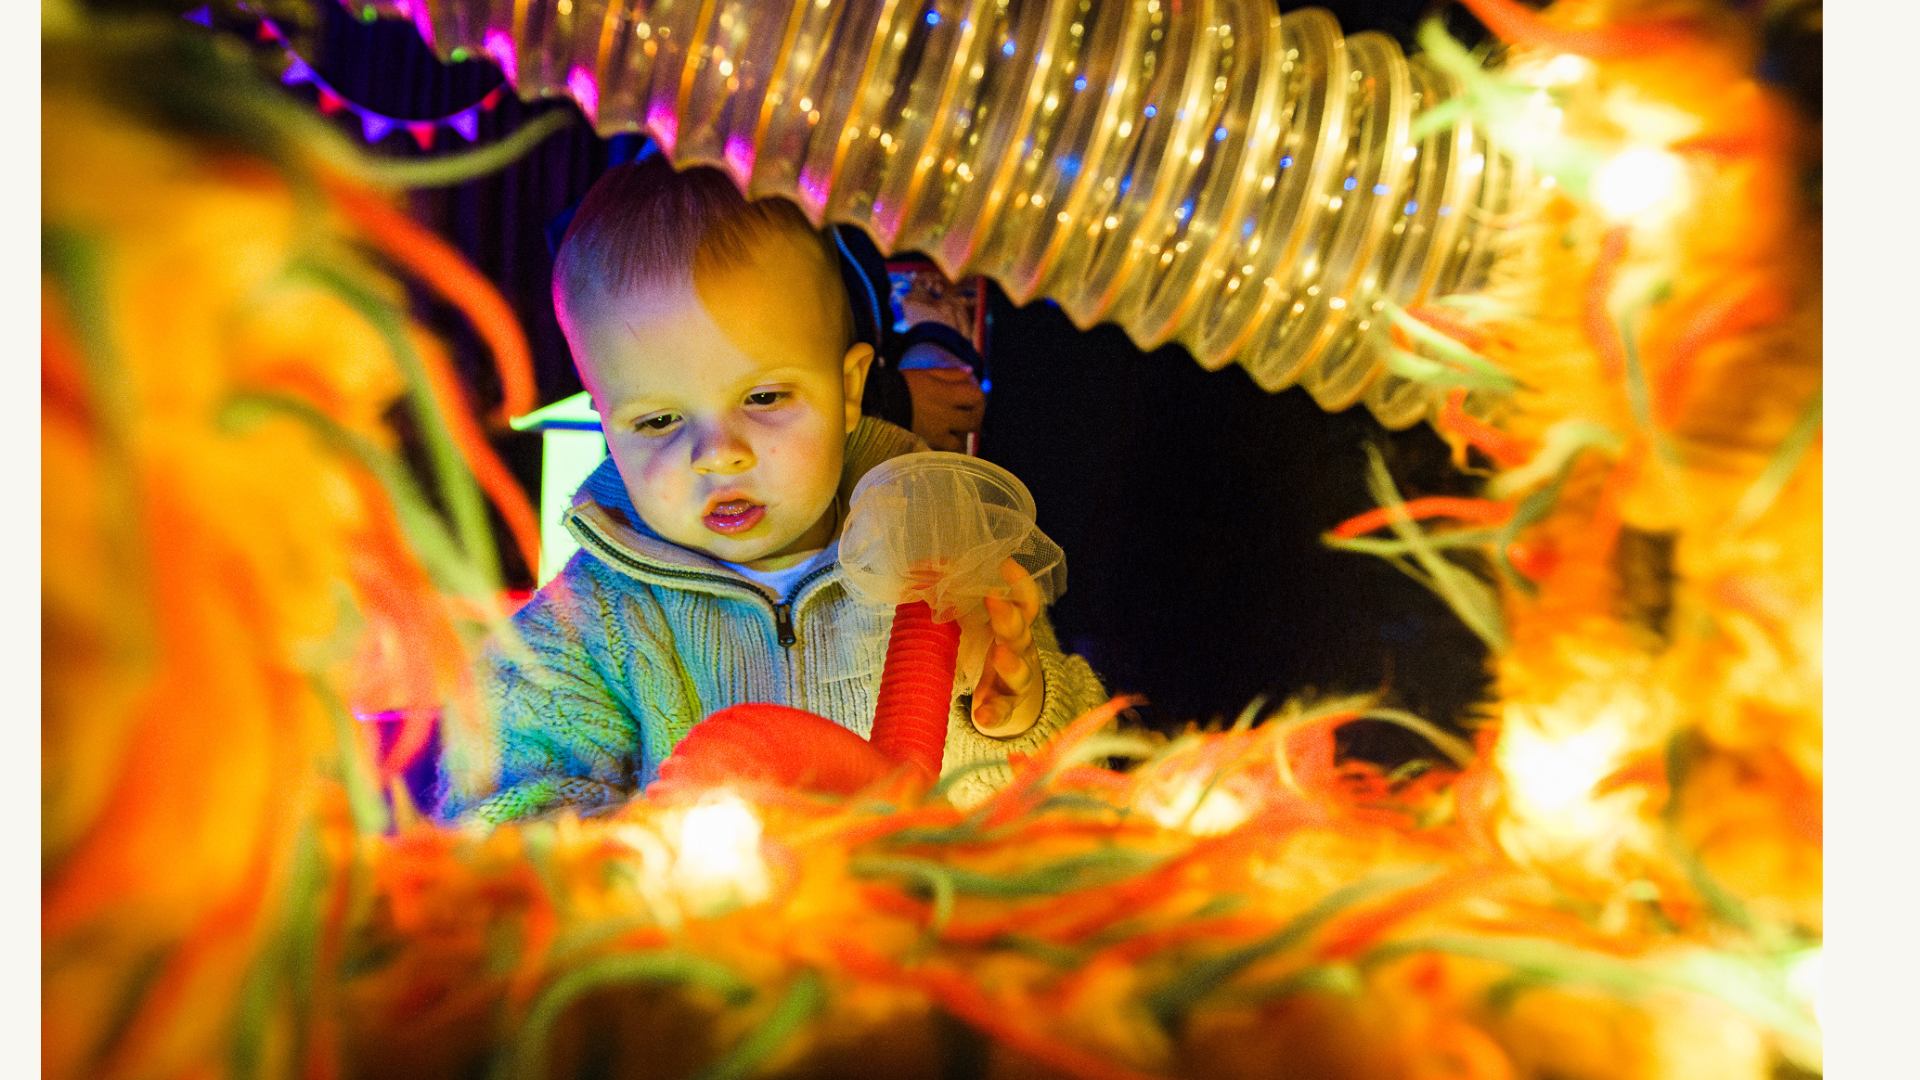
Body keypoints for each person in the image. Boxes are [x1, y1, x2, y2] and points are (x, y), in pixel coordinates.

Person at [440, 157, 1106, 823]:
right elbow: (491, 808)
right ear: (607, 422)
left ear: (849, 392)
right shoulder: (595, 622)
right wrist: (628, 849)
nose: (718, 455)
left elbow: (1081, 800)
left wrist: (1019, 714)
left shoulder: (939, 561)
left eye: (763, 397)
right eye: (659, 420)